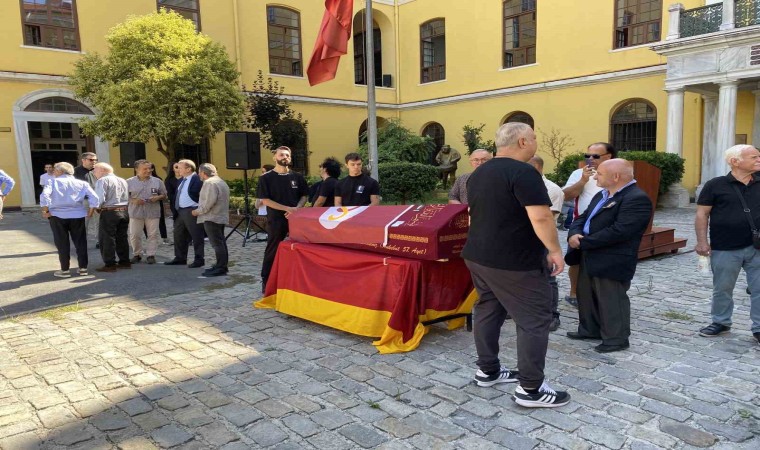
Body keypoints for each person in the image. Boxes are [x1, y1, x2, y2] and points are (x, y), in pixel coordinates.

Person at [463, 122, 569, 408]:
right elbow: (541, 217)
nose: (536, 142)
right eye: (533, 138)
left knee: (488, 310)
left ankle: (488, 370)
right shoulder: (524, 172)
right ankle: (531, 389)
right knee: (534, 319)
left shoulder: (478, 173)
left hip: (478, 255)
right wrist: (555, 250)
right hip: (514, 262)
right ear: (523, 142)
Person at [565, 159, 652, 353]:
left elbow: (621, 231)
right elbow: (582, 217)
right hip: (588, 253)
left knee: (611, 299)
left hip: (612, 257)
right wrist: (574, 233)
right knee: (586, 294)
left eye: (600, 174)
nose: (595, 176)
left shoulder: (636, 198)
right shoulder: (602, 194)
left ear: (616, 177)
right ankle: (590, 329)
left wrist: (584, 242)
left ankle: (616, 339)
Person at [696, 145, 760, 345]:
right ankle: (721, 322)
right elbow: (702, 214)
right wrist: (702, 242)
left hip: (757, 247)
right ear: (735, 161)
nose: (759, 160)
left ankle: (759, 328)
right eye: (754, 157)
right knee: (722, 288)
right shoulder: (715, 185)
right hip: (725, 246)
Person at [562, 142, 616, 307]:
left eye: (595, 156)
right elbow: (566, 196)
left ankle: (602, 294)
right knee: (575, 261)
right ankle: (574, 293)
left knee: (604, 262)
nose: (590, 159)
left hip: (607, 227)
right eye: (587, 156)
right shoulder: (579, 173)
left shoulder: (617, 173)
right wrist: (583, 180)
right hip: (580, 225)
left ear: (609, 157)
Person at [257, 146, 308, 288]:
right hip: (276, 220)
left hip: (295, 219)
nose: (285, 157)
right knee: (272, 249)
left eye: (287, 155)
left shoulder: (297, 177)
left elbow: (304, 196)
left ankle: (298, 280)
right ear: (275, 157)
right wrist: (286, 208)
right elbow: (265, 200)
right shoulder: (266, 178)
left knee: (299, 249)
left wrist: (297, 208)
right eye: (281, 155)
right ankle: (267, 280)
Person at [40, 162, 99, 277]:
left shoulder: (52, 182)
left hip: (57, 215)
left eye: (55, 170)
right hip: (77, 214)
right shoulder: (82, 183)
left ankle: (65, 269)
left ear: (60, 171)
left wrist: (45, 211)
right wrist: (91, 211)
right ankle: (83, 268)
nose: (53, 172)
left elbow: (44, 196)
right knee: (80, 242)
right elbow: (94, 197)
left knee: (62, 242)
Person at [528, 155, 565, 332]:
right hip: (522, 239)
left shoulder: (552, 189)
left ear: (535, 167)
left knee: (547, 278)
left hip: (542, 240)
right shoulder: (523, 185)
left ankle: (551, 315)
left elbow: (546, 218)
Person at [192, 164, 230, 277]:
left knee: (217, 244)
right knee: (221, 242)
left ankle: (221, 267)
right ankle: (220, 265)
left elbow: (208, 203)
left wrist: (197, 212)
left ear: (203, 173)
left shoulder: (209, 183)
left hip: (212, 217)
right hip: (219, 216)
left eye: (199, 172)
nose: (199, 175)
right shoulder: (221, 181)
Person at [165, 159, 205, 268]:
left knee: (196, 235)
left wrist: (198, 208)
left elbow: (201, 195)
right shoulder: (182, 180)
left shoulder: (197, 179)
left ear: (188, 169)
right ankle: (180, 258)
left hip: (192, 210)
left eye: (180, 168)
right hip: (181, 211)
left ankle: (199, 259)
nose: (178, 170)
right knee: (178, 234)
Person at [126, 160, 167, 265]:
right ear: (137, 169)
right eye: (145, 169)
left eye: (150, 168)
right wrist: (133, 200)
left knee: (152, 234)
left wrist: (158, 197)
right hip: (136, 212)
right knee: (134, 234)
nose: (148, 170)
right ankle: (137, 254)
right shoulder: (129, 182)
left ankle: (151, 255)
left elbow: (164, 195)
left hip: (152, 212)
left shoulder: (157, 181)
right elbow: (123, 196)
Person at [93, 162, 131, 272]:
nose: (94, 173)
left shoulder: (102, 180)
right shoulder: (122, 180)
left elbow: (99, 199)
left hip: (109, 211)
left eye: (95, 170)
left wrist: (96, 207)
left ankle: (110, 264)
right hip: (123, 210)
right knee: (122, 238)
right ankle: (124, 261)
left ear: (103, 170)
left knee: (107, 238)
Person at [74, 152, 100, 247]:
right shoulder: (75, 171)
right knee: (84, 222)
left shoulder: (97, 170)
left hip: (97, 200)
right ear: (83, 160)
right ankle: (82, 242)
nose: (94, 162)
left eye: (95, 160)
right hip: (83, 201)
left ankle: (99, 241)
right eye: (91, 160)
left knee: (98, 222)